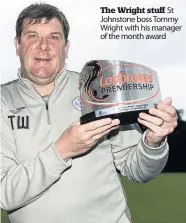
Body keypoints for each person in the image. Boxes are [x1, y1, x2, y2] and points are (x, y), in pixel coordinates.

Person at [0, 3, 178, 223]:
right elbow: (4, 193)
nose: (43, 46)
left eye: (54, 37)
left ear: (66, 48)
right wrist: (63, 149)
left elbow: (139, 171)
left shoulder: (98, 91)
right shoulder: (3, 102)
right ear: (17, 45)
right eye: (32, 35)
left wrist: (153, 142)